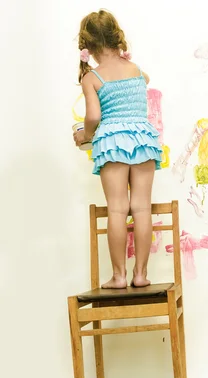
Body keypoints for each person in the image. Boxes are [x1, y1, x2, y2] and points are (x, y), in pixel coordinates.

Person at [73, 9, 162, 289]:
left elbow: (94, 118)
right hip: (143, 140)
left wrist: (84, 135)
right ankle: (141, 274)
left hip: (112, 142)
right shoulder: (135, 70)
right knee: (142, 209)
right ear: (116, 36)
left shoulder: (92, 78)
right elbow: (144, 79)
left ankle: (120, 275)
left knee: (117, 210)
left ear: (87, 45)